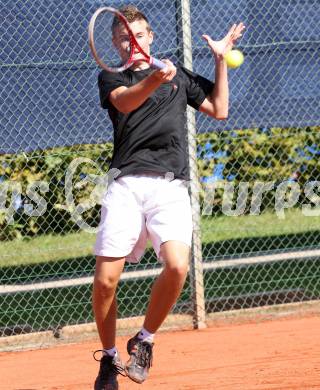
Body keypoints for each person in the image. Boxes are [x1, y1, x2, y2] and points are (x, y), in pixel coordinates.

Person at [92, 5, 245, 389]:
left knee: (178, 266)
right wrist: (157, 80)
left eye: (139, 34)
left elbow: (220, 109)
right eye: (125, 36)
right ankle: (109, 359)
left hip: (170, 186)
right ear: (115, 42)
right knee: (106, 282)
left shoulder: (177, 75)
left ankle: (144, 340)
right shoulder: (112, 77)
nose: (133, 41)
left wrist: (220, 60)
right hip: (125, 185)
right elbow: (126, 102)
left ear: (151, 37)